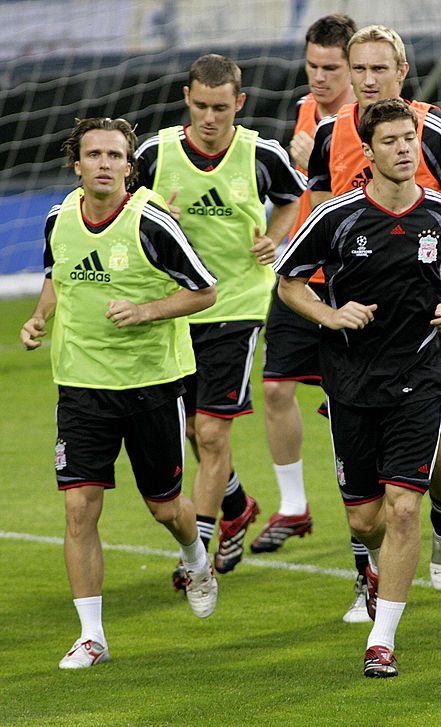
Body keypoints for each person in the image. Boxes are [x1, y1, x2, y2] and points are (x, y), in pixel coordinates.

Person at [275, 99, 441, 677]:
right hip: (351, 378)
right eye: (390, 141)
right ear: (368, 151)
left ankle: (382, 640)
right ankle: (400, 543)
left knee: (403, 506)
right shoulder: (335, 217)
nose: (404, 149)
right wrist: (331, 316)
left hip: (422, 371)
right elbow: (290, 285)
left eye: (409, 139)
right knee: (365, 521)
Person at [306, 24, 441, 594]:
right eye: (358, 69)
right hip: (348, 321)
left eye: (378, 69)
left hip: (418, 322)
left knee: (422, 456)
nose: (367, 80)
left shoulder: (427, 129)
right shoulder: (328, 133)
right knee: (359, 474)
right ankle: (369, 577)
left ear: (401, 72)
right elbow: (321, 208)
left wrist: (420, 222)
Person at [20, 117, 220, 668]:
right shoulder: (58, 218)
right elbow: (56, 275)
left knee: (164, 508)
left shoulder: (152, 224)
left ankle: (195, 556)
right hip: (81, 387)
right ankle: (92, 636)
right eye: (94, 155)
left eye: (115, 156)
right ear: (76, 163)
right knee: (79, 507)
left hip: (150, 385)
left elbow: (205, 292)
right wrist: (39, 318)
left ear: (129, 167)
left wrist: (146, 310)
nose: (104, 164)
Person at [134, 54, 305, 582]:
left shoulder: (261, 153)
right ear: (186, 98)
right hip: (175, 307)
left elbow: (292, 200)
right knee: (189, 430)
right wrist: (157, 215)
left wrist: (274, 239)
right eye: (202, 106)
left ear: (240, 103)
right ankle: (237, 507)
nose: (211, 118)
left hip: (236, 306)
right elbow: (122, 205)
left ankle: (201, 552)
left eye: (222, 108)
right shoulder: (155, 153)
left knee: (210, 432)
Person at [251, 13, 372, 624]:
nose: (321, 78)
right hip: (303, 283)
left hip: (356, 290)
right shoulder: (304, 115)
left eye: (333, 68)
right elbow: (298, 196)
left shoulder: (378, 126)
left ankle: (369, 579)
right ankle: (294, 506)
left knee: (354, 432)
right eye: (313, 67)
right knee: (273, 388)